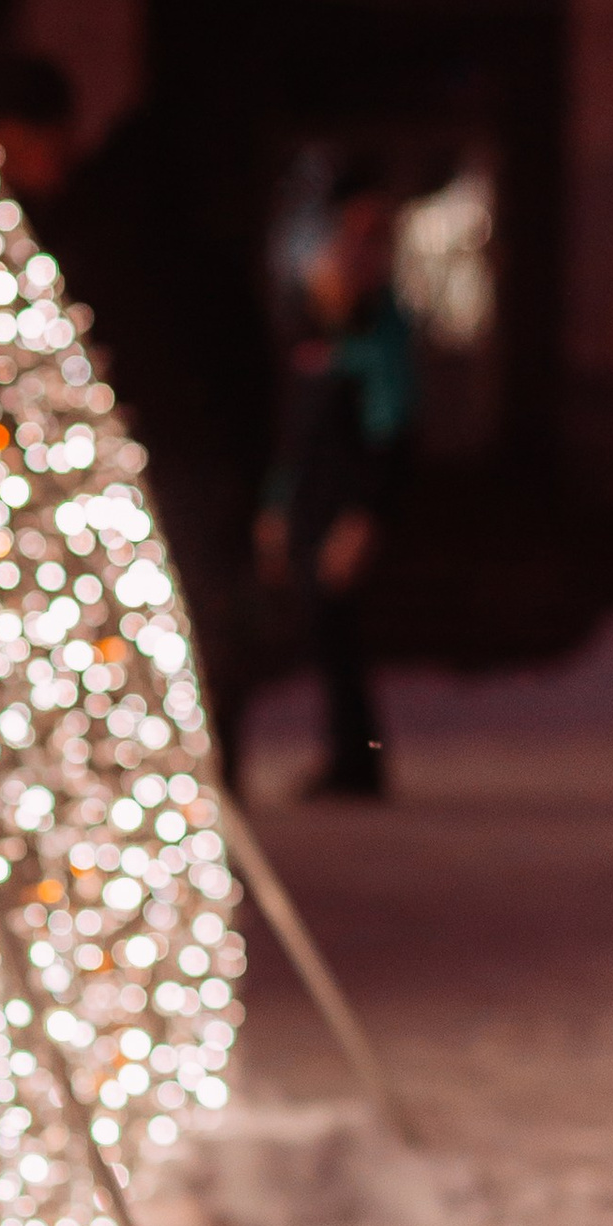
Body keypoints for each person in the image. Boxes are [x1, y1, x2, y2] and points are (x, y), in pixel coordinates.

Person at [0, 51, 276, 789]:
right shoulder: (57, 226)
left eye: (11, 145)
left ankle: (196, 791)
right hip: (141, 465)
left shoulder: (108, 233)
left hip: (162, 464)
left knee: (184, 635)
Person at [256, 166, 416, 801]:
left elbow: (389, 432)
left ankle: (357, 761)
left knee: (339, 630)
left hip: (346, 504)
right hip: (309, 499)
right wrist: (276, 506)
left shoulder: (382, 330)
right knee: (322, 632)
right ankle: (348, 756)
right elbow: (293, 432)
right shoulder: (310, 327)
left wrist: (364, 515)